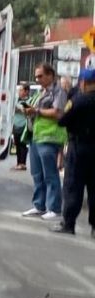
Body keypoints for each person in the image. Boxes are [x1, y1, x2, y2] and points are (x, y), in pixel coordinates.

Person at [52, 69, 95, 236]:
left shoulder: (77, 100)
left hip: (79, 147)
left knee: (73, 185)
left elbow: (62, 121)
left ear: (83, 83)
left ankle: (69, 224)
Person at [21, 63, 66, 220]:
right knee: (37, 174)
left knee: (50, 174)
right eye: (36, 76)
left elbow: (58, 112)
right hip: (36, 136)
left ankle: (54, 207)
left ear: (50, 75)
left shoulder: (58, 91)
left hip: (49, 137)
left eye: (40, 76)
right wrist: (28, 111)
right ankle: (39, 205)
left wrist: (37, 111)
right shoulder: (41, 92)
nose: (37, 79)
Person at [12, 83, 33, 171]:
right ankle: (18, 163)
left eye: (21, 90)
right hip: (16, 124)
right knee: (17, 144)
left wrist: (20, 108)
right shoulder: (17, 99)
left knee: (22, 145)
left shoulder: (30, 100)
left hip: (24, 125)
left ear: (26, 91)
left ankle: (23, 163)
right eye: (19, 90)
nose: (19, 92)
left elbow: (26, 110)